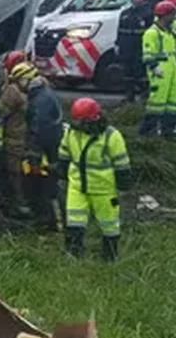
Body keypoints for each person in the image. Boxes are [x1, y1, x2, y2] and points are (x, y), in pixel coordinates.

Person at [55, 98, 131, 261]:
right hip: (78, 186)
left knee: (109, 226)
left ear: (94, 119)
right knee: (74, 221)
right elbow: (64, 152)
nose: (79, 126)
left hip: (104, 190)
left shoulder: (111, 136)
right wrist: (61, 170)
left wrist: (123, 183)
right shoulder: (72, 132)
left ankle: (110, 256)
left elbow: (121, 163)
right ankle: (74, 253)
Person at [11, 62, 63, 231]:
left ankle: (53, 222)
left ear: (25, 80)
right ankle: (50, 219)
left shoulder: (40, 100)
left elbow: (40, 128)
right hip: (51, 148)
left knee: (47, 186)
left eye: (18, 82)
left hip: (47, 151)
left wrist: (34, 153)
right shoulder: (43, 93)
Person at [141, 1, 176, 136]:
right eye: (172, 15)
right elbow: (147, 54)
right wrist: (154, 67)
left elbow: (174, 51)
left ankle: (168, 130)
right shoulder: (152, 33)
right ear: (165, 16)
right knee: (156, 101)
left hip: (172, 69)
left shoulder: (171, 32)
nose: (174, 18)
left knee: (172, 102)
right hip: (160, 71)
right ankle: (147, 131)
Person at [0, 60, 31, 218]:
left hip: (14, 139)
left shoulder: (13, 91)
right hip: (28, 138)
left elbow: (0, 110)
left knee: (14, 173)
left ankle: (20, 205)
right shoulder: (36, 86)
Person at [117, 0, 152, 101]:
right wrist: (117, 44)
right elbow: (120, 30)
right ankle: (129, 95)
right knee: (127, 72)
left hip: (139, 47)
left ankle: (144, 94)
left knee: (140, 72)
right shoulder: (125, 13)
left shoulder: (147, 13)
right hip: (126, 47)